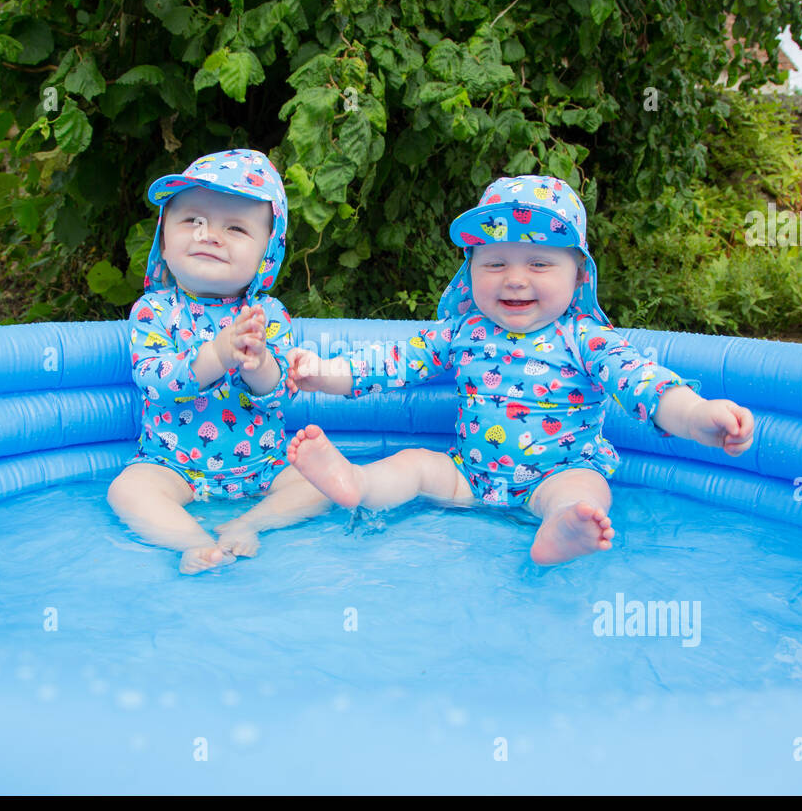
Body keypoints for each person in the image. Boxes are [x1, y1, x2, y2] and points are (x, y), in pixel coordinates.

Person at [283, 175, 755, 565]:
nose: (514, 278)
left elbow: (644, 383)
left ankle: (563, 526)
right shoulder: (463, 331)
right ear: (470, 272)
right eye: (494, 263)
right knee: (416, 465)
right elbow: (391, 364)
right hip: (470, 476)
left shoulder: (585, 339)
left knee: (583, 488)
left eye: (539, 262)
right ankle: (358, 483)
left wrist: (697, 417)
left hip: (557, 473)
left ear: (578, 275)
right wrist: (323, 372)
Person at [107, 149, 330, 574]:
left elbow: (279, 392)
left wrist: (258, 364)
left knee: (320, 484)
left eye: (234, 227)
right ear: (164, 238)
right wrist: (216, 355)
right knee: (128, 490)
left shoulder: (272, 315)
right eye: (193, 220)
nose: (209, 235)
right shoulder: (153, 311)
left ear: (266, 253)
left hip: (264, 465)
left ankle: (247, 525)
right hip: (172, 465)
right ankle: (193, 542)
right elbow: (155, 381)